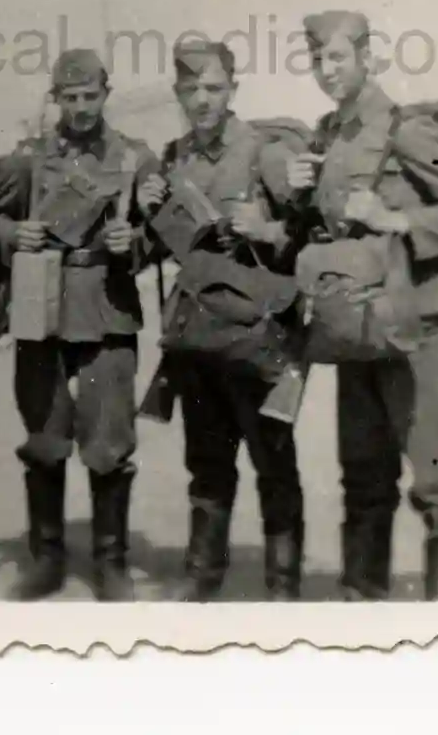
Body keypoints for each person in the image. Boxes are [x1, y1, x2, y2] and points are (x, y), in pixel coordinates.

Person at [290, 10, 438, 601]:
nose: (327, 71)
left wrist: (398, 219)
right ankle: (364, 608)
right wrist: (302, 195)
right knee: (363, 479)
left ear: (366, 58)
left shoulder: (407, 131)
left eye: (337, 58)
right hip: (358, 330)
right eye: (317, 60)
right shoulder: (327, 136)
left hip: (418, 331)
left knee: (437, 486)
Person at [0, 48, 162, 602]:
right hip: (41, 309)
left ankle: (111, 561)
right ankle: (47, 558)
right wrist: (12, 237)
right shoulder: (28, 160)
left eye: (91, 96)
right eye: (70, 97)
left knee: (109, 441)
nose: (81, 108)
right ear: (55, 98)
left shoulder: (136, 158)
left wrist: (132, 242)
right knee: (43, 438)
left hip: (106, 309)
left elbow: (162, 235)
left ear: (107, 95)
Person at [146, 38, 306, 602]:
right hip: (200, 341)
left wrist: (268, 232)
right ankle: (202, 576)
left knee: (273, 464)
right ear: (177, 94)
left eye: (213, 88)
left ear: (232, 89)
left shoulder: (264, 153)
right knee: (207, 466)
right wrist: (148, 209)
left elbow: (308, 237)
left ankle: (283, 586)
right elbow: (167, 248)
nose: (201, 99)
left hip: (259, 339)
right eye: (190, 89)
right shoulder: (174, 158)